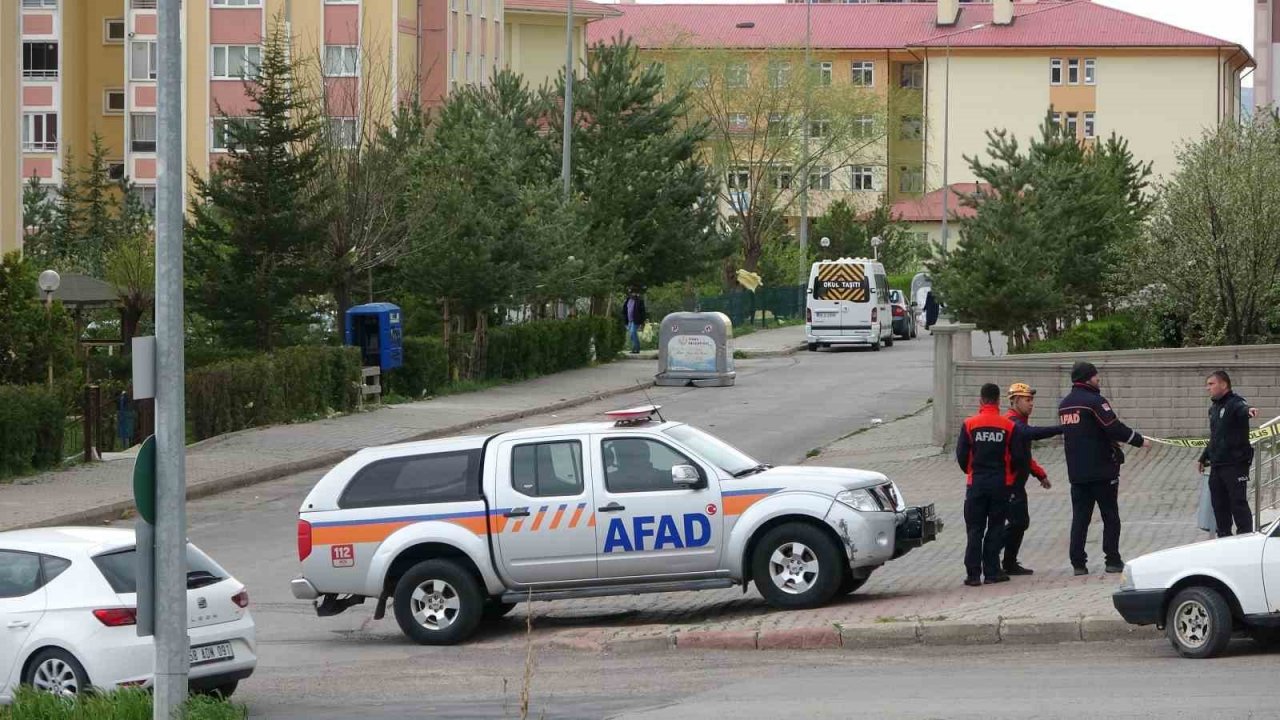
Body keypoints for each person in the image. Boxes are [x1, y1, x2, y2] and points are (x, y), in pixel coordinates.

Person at [1059, 361, 1149, 575]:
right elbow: (1112, 426)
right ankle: (1112, 559)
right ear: (1088, 378)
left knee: (1080, 518)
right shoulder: (1094, 401)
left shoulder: (1064, 405)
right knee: (1110, 515)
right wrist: (1138, 440)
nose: (1098, 379)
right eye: (1095, 376)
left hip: (1077, 472)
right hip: (1101, 470)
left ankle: (1078, 563)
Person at [956, 383, 1030, 587]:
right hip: (1000, 484)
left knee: (974, 529)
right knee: (995, 527)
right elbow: (1018, 457)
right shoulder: (1008, 426)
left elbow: (962, 456)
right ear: (998, 401)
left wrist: (972, 472)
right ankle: (992, 572)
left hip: (976, 483)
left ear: (981, 400)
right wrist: (1009, 478)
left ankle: (972, 575)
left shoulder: (969, 424)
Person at [1002, 382, 1064, 576]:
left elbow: (1024, 456)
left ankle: (1008, 563)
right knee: (1017, 522)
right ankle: (991, 555)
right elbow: (1032, 434)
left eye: (1032, 400)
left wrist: (1039, 474)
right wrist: (1062, 428)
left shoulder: (1020, 422)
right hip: (1008, 483)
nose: (1031, 404)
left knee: (1020, 522)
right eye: (1027, 400)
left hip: (1016, 483)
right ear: (1015, 401)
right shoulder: (1012, 423)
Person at [1198, 370, 1260, 537]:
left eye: (1211, 384)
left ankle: (1245, 538)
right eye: (1207, 384)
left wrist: (1249, 410)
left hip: (1235, 464)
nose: (1207, 388)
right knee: (1219, 505)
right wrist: (1204, 457)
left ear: (1224, 384)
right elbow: (1215, 436)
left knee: (1238, 504)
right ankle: (1224, 538)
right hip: (1217, 465)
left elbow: (1243, 408)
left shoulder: (1235, 403)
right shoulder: (1213, 409)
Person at [620, 289, 647, 354]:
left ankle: (637, 348)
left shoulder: (639, 301)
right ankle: (634, 348)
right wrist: (624, 319)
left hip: (636, 320)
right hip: (629, 320)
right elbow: (624, 310)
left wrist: (642, 322)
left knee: (633, 332)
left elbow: (642, 312)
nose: (633, 294)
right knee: (631, 335)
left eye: (634, 293)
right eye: (631, 293)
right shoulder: (627, 300)